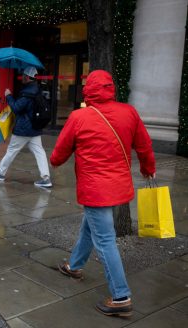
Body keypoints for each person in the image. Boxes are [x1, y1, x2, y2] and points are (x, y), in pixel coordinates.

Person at [50, 70, 156, 317]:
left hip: (95, 189)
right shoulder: (129, 112)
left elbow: (61, 150)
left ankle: (121, 296)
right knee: (90, 227)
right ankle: (74, 266)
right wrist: (148, 168)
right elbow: (144, 145)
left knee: (105, 240)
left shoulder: (79, 116)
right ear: (111, 88)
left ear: (88, 90)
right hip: (117, 186)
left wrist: (54, 162)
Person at [0, 65, 52, 188]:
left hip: (23, 129)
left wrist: (8, 96)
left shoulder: (27, 93)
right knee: (40, 152)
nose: (21, 77)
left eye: (23, 76)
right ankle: (46, 178)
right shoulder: (36, 89)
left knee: (12, 150)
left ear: (27, 77)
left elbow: (16, 108)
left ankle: (0, 172)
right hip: (35, 128)